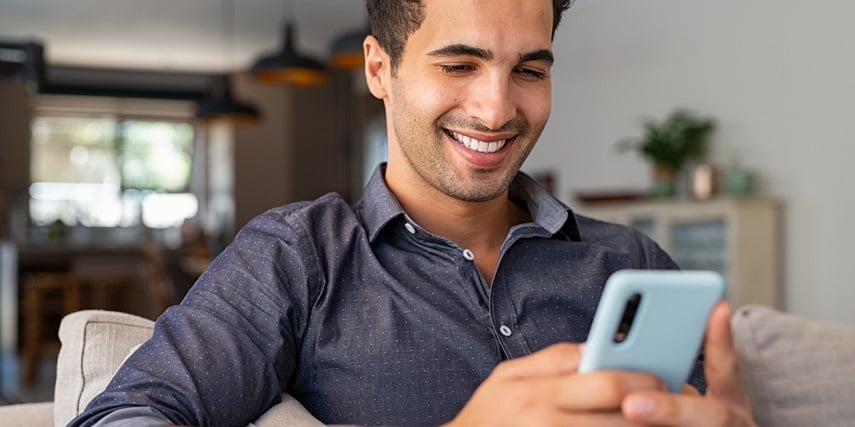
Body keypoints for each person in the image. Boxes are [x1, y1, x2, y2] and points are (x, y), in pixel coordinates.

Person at [71, 0, 757, 426]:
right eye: (459, 65)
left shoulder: (627, 261)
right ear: (378, 69)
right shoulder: (298, 256)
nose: (496, 109)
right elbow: (126, 414)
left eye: (529, 70)